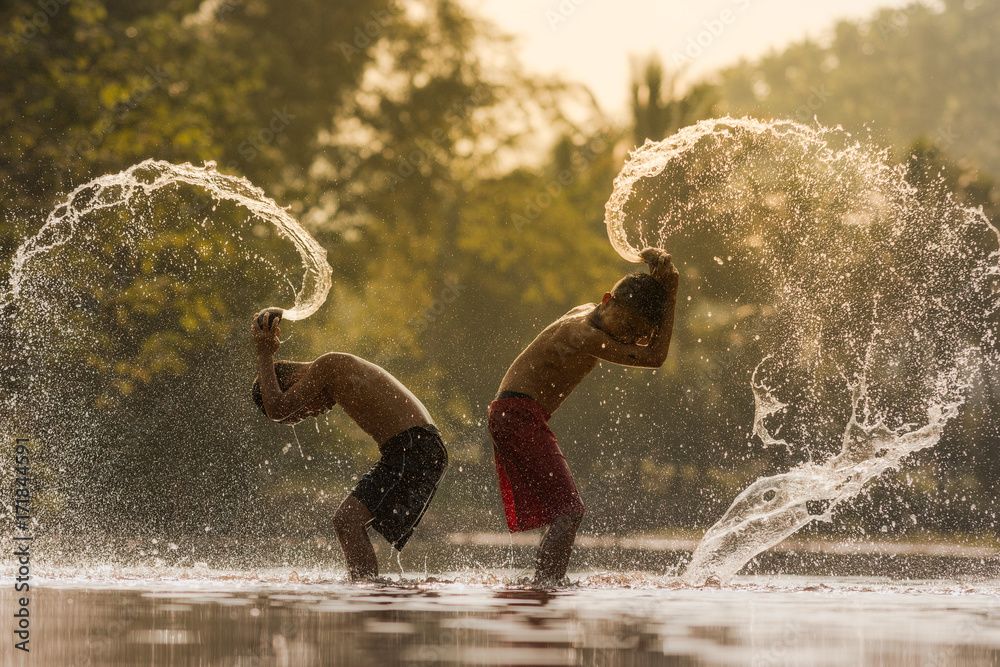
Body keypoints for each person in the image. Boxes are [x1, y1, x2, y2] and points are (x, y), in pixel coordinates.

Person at [488, 248, 679, 586]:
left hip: (516, 413)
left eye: (637, 333)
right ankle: (546, 587)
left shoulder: (588, 313)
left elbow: (641, 318)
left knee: (564, 512)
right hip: (517, 414)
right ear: (607, 300)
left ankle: (543, 583)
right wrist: (673, 294)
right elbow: (655, 357)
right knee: (569, 511)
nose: (629, 337)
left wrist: (658, 286)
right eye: (628, 326)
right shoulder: (584, 335)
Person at [251, 308, 448, 581]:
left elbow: (276, 408)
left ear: (294, 381)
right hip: (412, 448)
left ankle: (366, 594)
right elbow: (278, 408)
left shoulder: (328, 365)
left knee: (346, 522)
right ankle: (371, 588)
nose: (311, 414)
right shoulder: (334, 372)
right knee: (347, 522)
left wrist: (264, 352)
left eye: (301, 411)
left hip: (414, 447)